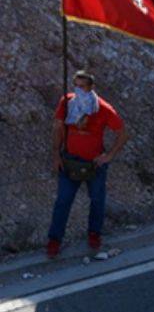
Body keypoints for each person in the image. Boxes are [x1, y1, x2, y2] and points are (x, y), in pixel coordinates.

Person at [47, 71, 129, 258]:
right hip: (70, 162)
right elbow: (58, 127)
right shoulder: (68, 103)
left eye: (82, 86)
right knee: (63, 201)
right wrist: (56, 154)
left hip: (94, 164)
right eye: (75, 86)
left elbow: (123, 133)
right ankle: (54, 240)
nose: (78, 90)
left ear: (91, 87)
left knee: (97, 200)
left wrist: (108, 156)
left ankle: (94, 235)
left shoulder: (102, 108)